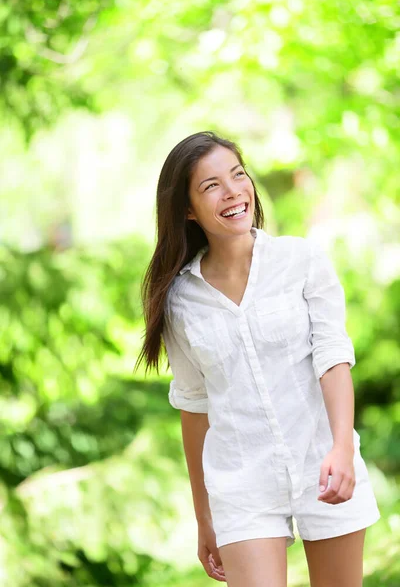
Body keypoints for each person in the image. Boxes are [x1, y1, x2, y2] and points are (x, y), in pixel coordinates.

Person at [135, 131, 381, 587]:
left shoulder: (302, 260)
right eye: (211, 185)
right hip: (242, 487)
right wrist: (203, 517)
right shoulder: (181, 302)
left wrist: (342, 448)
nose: (232, 191)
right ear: (187, 209)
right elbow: (194, 406)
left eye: (237, 175)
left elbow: (333, 359)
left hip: (323, 464)